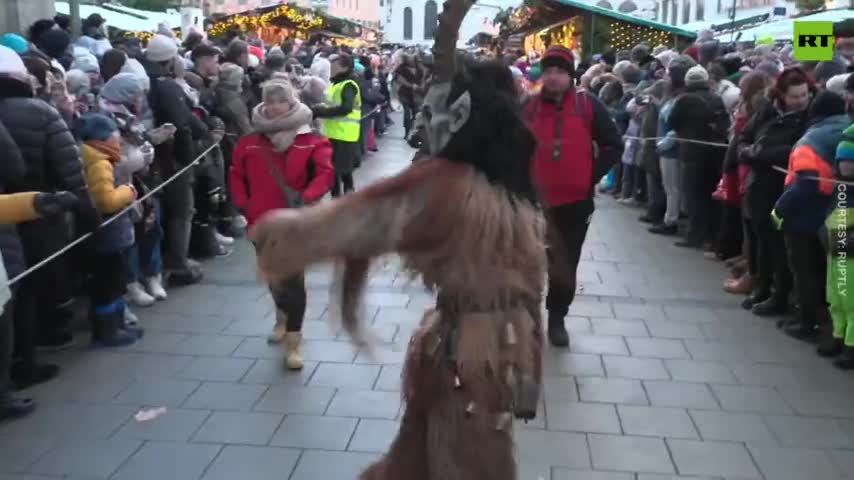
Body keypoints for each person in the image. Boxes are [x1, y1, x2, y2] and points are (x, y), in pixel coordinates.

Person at [252, 21, 544, 476]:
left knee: (463, 455)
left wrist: (286, 233)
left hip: (471, 351)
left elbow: (367, 218)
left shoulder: (451, 183)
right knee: (436, 445)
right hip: (507, 339)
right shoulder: (514, 180)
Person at [0, 45, 100, 386]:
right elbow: (68, 167)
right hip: (40, 208)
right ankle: (27, 359)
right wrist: (87, 212)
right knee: (28, 287)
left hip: (17, 212)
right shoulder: (40, 111)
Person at [230, 76, 335, 370]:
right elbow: (237, 174)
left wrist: (309, 196)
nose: (275, 107)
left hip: (294, 221)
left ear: (292, 102)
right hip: (260, 220)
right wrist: (244, 203)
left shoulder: (310, 139)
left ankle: (293, 341)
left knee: (293, 281)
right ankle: (281, 315)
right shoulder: (249, 142)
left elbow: (325, 173)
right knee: (273, 276)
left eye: (281, 101)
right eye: (270, 101)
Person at [522, 45, 623, 347]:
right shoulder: (527, 106)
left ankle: (557, 318)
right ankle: (528, 319)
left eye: (559, 71)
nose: (553, 77)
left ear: (570, 75)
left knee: (564, 264)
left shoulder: (587, 105)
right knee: (527, 263)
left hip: (574, 204)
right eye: (548, 71)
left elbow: (613, 144)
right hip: (531, 203)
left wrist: (591, 175)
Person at [773, 91, 849, 339]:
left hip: (806, 216)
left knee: (804, 270)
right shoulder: (848, 131)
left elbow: (806, 184)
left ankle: (806, 322)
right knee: (835, 275)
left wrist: (778, 209)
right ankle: (835, 328)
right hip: (842, 214)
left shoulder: (810, 141)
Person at [737, 67, 811, 315]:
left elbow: (797, 150)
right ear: (782, 95)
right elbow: (744, 137)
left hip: (784, 187)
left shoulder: (808, 117)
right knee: (762, 240)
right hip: (759, 184)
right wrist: (748, 151)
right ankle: (762, 287)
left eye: (803, 95)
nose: (800, 101)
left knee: (780, 245)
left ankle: (779, 295)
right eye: (794, 96)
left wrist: (760, 154)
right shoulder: (767, 110)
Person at [78, 112, 140, 347]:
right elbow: (105, 201)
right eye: (115, 134)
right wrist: (127, 191)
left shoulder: (99, 157)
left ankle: (117, 324)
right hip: (108, 234)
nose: (119, 139)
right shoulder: (99, 162)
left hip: (112, 233)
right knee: (108, 283)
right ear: (102, 138)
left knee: (115, 280)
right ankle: (107, 331)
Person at [823, 122, 854, 369]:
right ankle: (838, 334)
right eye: (842, 160)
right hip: (836, 248)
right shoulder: (840, 187)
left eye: (850, 161)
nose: (846, 166)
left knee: (851, 298)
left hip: (850, 249)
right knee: (835, 294)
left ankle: (851, 345)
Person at [311, 53, 362, 197]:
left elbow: (346, 108)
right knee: (336, 170)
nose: (331, 68)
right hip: (334, 133)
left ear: (344, 67)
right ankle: (342, 196)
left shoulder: (348, 85)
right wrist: (321, 108)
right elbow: (334, 105)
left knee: (341, 170)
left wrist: (322, 112)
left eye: (335, 65)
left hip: (344, 135)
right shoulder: (337, 84)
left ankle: (345, 197)